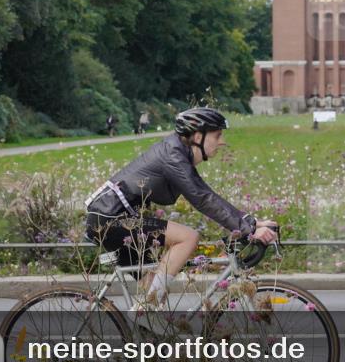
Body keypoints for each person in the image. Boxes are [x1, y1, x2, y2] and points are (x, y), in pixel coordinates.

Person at [84, 107, 278, 308]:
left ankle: (146, 327)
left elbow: (206, 193)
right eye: (217, 135)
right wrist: (248, 229)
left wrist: (251, 223)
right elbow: (202, 198)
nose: (222, 142)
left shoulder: (176, 153)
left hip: (113, 218)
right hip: (109, 220)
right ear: (197, 136)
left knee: (155, 290)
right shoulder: (173, 156)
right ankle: (146, 313)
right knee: (188, 237)